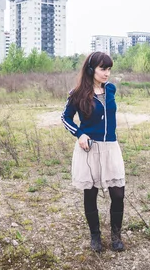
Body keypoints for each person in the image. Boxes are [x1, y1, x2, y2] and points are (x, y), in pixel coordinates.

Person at [61, 51, 125, 253]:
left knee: (118, 193)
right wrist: (79, 134)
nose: (107, 73)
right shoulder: (77, 93)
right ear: (91, 69)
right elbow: (65, 118)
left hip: (111, 148)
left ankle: (116, 236)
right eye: (102, 69)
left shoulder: (111, 90)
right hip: (89, 149)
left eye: (109, 69)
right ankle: (95, 236)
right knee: (91, 193)